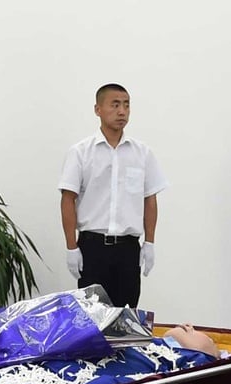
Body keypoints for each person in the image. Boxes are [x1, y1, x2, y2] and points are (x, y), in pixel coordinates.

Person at [58, 83, 168, 308]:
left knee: (126, 317)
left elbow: (150, 198)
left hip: (128, 249)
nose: (122, 112)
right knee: (92, 317)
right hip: (93, 247)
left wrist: (149, 242)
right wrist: (71, 247)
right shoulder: (81, 152)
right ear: (97, 109)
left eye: (126, 105)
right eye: (115, 105)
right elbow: (68, 199)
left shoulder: (142, 153)